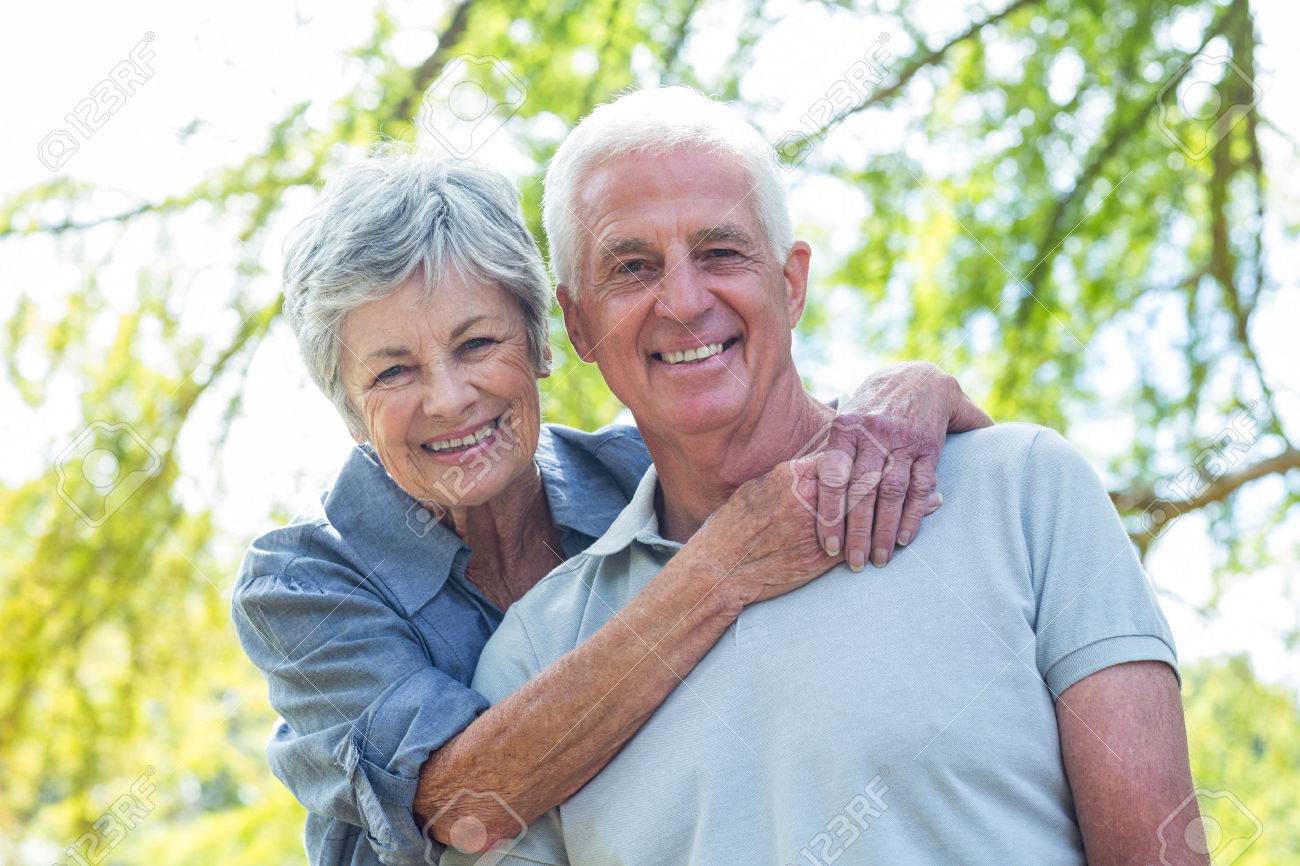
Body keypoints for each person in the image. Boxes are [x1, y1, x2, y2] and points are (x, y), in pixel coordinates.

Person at [448, 86, 1205, 866]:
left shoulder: (1022, 494)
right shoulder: (534, 657)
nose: (682, 300)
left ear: (793, 282)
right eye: (632, 267)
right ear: (577, 325)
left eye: (720, 252)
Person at [231, 152, 992, 864]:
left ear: (542, 345)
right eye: (394, 372)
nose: (449, 399)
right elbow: (465, 808)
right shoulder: (300, 584)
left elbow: (820, 448)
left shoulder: (637, 471)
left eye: (476, 345)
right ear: (350, 410)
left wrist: (913, 389)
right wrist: (720, 569)